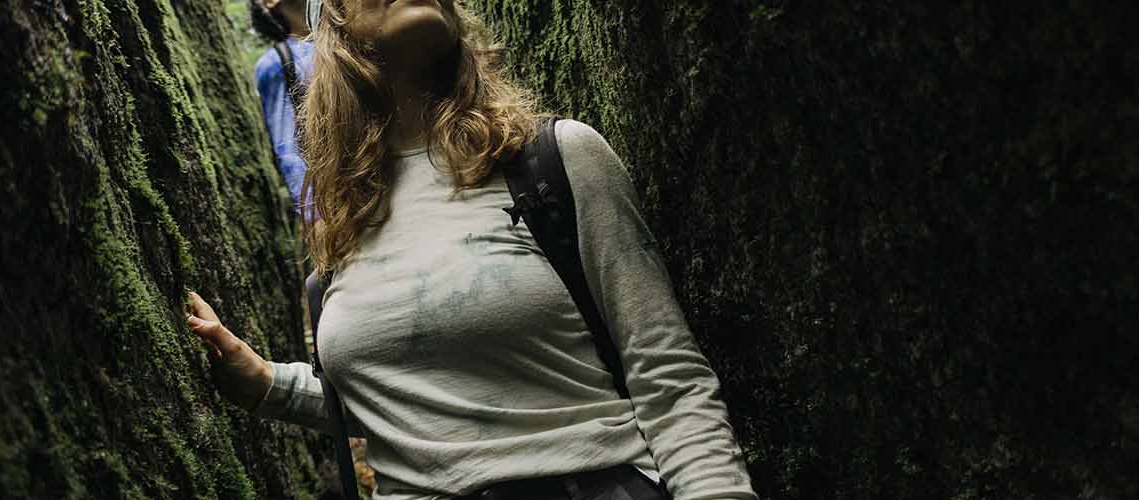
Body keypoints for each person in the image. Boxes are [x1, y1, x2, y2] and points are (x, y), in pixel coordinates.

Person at [187, 1, 758, 499]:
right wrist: (266, 383)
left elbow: (668, 377)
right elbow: (410, 396)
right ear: (332, 25)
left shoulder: (553, 163)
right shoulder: (343, 229)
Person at [249, 0, 315, 214]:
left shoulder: (353, 31)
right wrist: (314, 215)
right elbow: (289, 148)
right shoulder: (275, 63)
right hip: (346, 195)